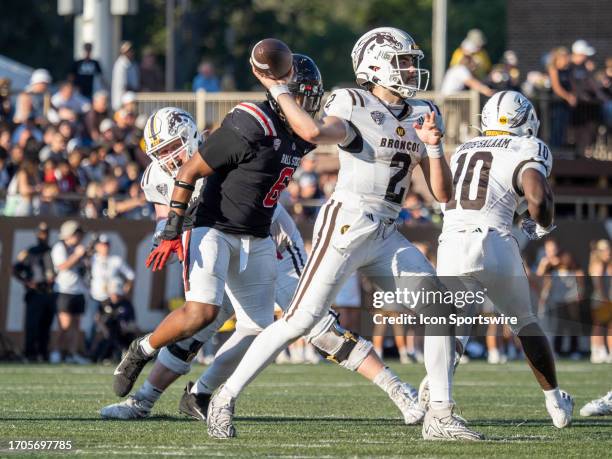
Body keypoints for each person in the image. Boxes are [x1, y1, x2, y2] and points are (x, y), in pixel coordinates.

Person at [205, 28, 481, 441]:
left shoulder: (424, 111)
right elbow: (314, 133)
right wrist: (280, 89)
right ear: (376, 66)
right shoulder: (353, 101)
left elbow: (443, 194)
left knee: (439, 311)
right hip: (348, 222)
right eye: (403, 61)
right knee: (300, 321)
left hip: (387, 231)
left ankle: (439, 415)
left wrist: (435, 146)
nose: (411, 69)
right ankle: (223, 400)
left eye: (411, 61)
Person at [104, 100, 421, 424]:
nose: (170, 157)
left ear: (191, 135)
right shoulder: (158, 175)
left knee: (315, 326)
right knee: (198, 323)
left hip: (269, 235)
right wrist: (167, 234)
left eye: (174, 146)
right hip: (216, 236)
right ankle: (146, 400)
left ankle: (397, 389)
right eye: (163, 151)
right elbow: (165, 214)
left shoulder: (228, 143)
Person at [419, 91, 574, 429]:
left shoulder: (463, 148)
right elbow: (537, 195)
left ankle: (439, 389)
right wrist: (544, 224)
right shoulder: (528, 147)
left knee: (454, 323)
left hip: (451, 242)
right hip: (494, 239)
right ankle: (555, 403)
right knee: (524, 323)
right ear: (525, 120)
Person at [11, 222, 55, 361]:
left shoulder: (52, 251)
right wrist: (26, 282)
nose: (44, 236)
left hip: (49, 293)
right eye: (41, 233)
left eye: (45, 233)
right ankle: (30, 354)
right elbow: (16, 269)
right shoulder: (30, 252)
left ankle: (43, 353)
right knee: (32, 326)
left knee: (45, 326)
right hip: (35, 293)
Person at [50, 220, 90, 364]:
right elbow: (62, 266)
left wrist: (85, 258)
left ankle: (73, 353)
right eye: (77, 234)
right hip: (64, 290)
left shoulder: (77, 248)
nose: (79, 237)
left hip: (78, 290)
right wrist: (77, 255)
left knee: (76, 326)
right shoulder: (59, 247)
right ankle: (56, 351)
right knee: (64, 326)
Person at [89, 234, 135, 318]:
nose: (105, 247)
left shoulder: (116, 260)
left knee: (110, 321)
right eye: (102, 245)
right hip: (94, 296)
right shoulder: (92, 259)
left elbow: (131, 275)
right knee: (93, 322)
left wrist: (126, 287)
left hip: (110, 298)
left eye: (106, 245)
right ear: (97, 246)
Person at [588, 239, 611, 364]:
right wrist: (605, 299)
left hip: (602, 299)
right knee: (599, 326)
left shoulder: (604, 263)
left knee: (602, 326)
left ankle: (600, 351)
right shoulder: (598, 264)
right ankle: (598, 351)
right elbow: (598, 284)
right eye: (605, 250)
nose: (608, 252)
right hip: (600, 300)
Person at [112, 41, 139, 111]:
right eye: (128, 51)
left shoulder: (132, 64)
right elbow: (122, 85)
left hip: (130, 98)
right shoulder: (120, 64)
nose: (130, 52)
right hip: (122, 100)